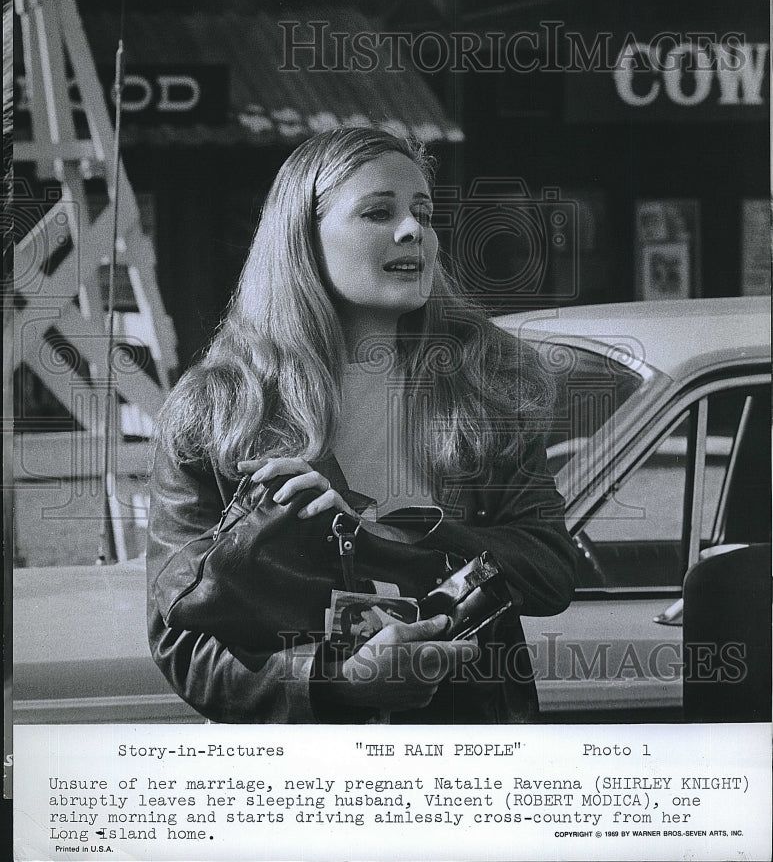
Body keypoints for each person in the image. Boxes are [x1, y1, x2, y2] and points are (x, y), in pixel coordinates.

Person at [147, 126, 578, 724]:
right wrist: (336, 681)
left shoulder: (486, 381)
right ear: (302, 238)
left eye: (423, 213)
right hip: (307, 785)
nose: (413, 231)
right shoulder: (217, 410)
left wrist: (390, 529)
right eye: (378, 212)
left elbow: (552, 568)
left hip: (471, 764)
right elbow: (183, 642)